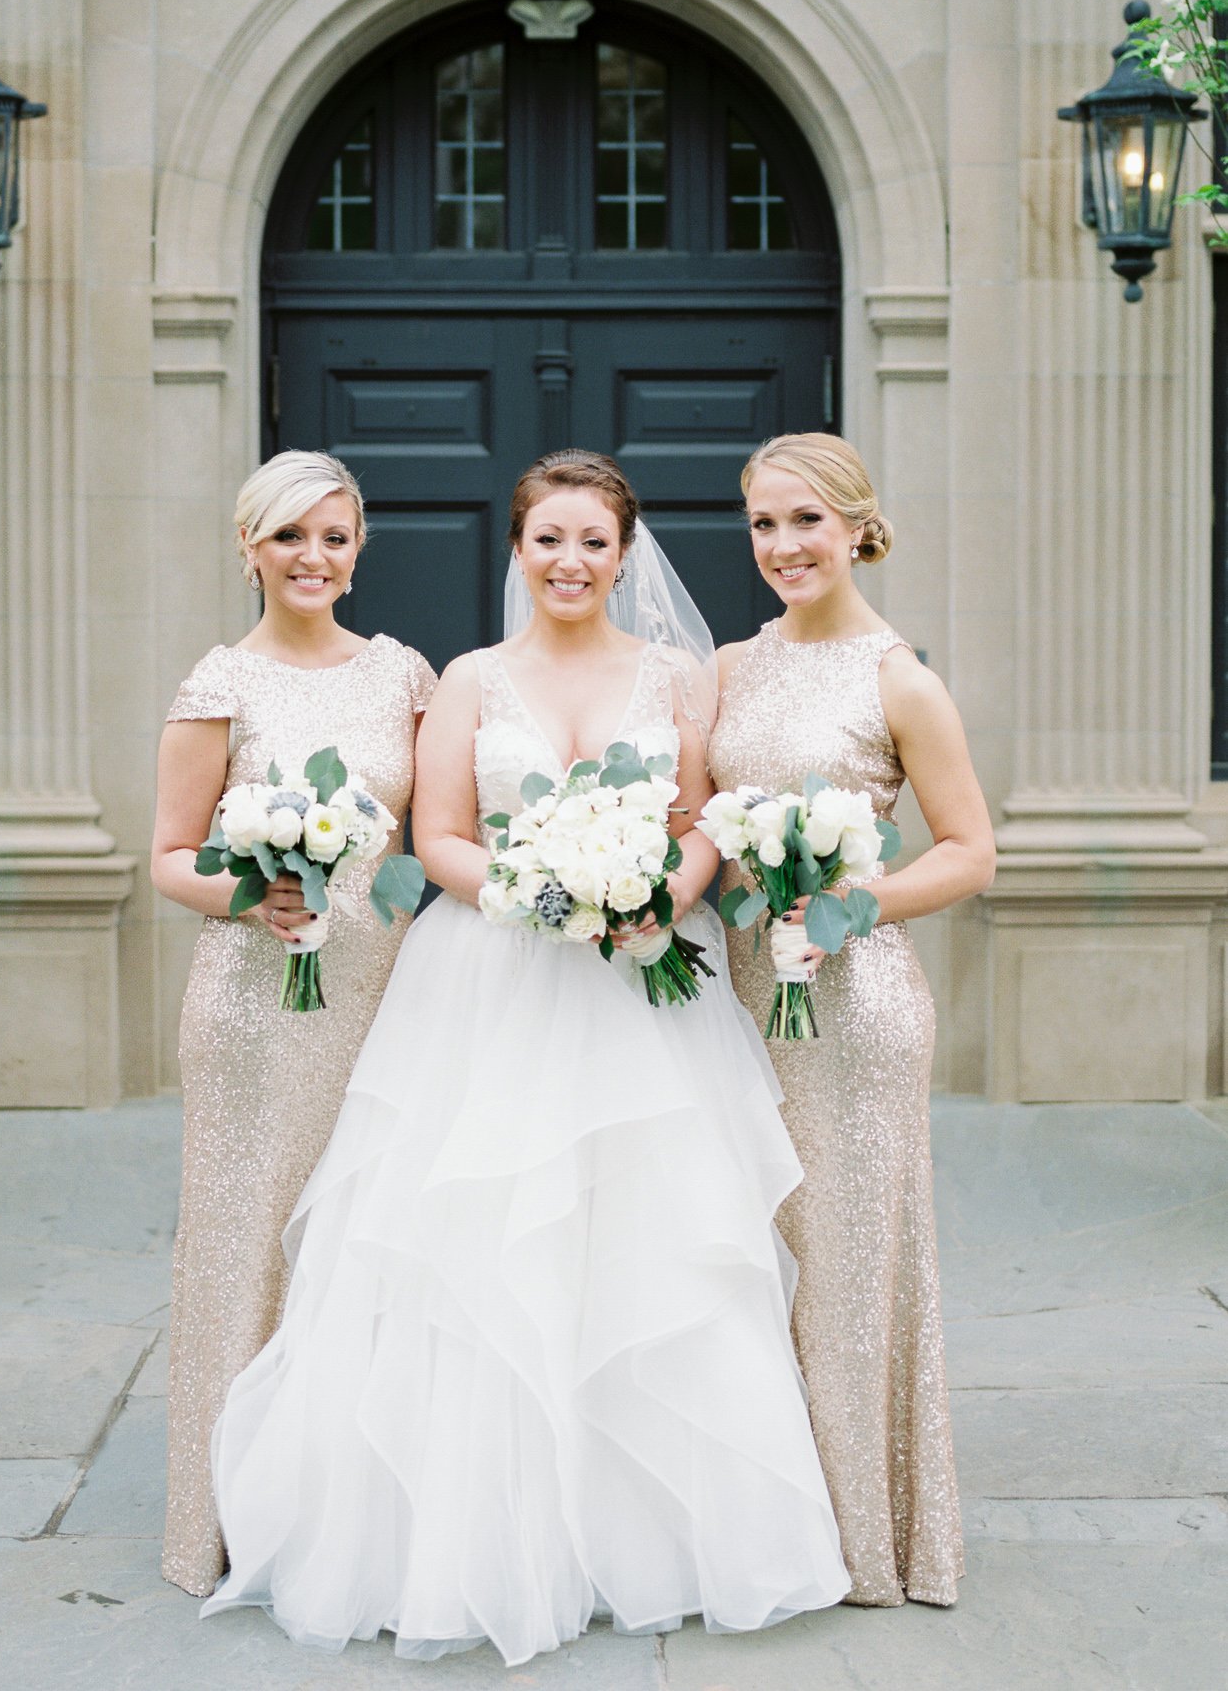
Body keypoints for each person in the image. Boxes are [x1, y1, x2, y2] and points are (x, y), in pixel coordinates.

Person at [201, 449, 851, 1663]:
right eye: (547, 540)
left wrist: (660, 896)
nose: (570, 563)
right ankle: (476, 1533)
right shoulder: (469, 680)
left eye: (593, 543)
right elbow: (436, 832)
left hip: (646, 987)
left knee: (648, 1239)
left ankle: (646, 1528)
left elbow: (698, 816)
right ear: (516, 550)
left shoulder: (673, 677)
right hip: (494, 975)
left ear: (624, 553)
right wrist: (538, 888)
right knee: (484, 1244)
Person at [709, 432, 995, 1608]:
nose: (784, 546)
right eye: (766, 525)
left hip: (855, 1002)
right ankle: (757, 1524)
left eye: (806, 522)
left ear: (858, 527)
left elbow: (972, 851)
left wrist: (850, 903)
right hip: (735, 997)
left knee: (850, 1264)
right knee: (746, 1258)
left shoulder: (899, 678)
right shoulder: (727, 667)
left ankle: (864, 1535)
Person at [150, 450, 436, 1596]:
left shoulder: (405, 677)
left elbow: (423, 838)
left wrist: (409, 916)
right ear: (248, 549)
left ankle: (352, 1515)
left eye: (332, 537)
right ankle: (226, 1520)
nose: (311, 558)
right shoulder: (218, 685)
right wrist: (249, 893)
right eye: (288, 538)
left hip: (384, 994)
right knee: (250, 1240)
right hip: (254, 1005)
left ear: (359, 550)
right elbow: (169, 857)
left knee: (369, 1237)